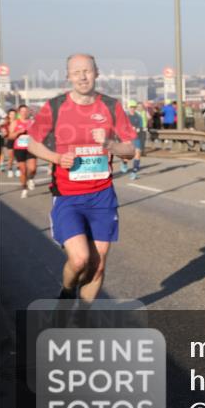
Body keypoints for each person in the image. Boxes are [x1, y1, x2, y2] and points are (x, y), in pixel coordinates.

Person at [25, 54, 136, 304]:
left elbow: (130, 150)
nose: (82, 76)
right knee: (79, 260)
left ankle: (81, 318)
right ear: (68, 77)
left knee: (97, 266)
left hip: (102, 195)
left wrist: (109, 143)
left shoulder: (111, 106)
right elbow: (31, 143)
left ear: (96, 73)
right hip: (68, 196)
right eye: (76, 72)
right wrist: (55, 157)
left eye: (87, 71)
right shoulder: (55, 107)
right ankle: (66, 293)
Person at [8, 104, 37, 197]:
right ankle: (24, 188)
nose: (24, 113)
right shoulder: (15, 123)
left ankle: (31, 178)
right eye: (22, 111)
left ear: (28, 112)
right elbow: (10, 136)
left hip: (31, 148)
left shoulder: (32, 122)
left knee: (32, 169)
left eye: (26, 111)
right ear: (19, 113)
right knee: (23, 170)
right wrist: (18, 132)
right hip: (19, 149)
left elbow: (38, 134)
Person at [119, 100, 145, 180]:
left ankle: (134, 172)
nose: (132, 109)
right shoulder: (125, 116)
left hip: (136, 137)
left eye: (134, 107)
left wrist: (138, 129)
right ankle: (124, 163)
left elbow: (141, 127)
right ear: (128, 107)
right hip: (126, 138)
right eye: (131, 107)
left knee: (138, 153)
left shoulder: (138, 117)